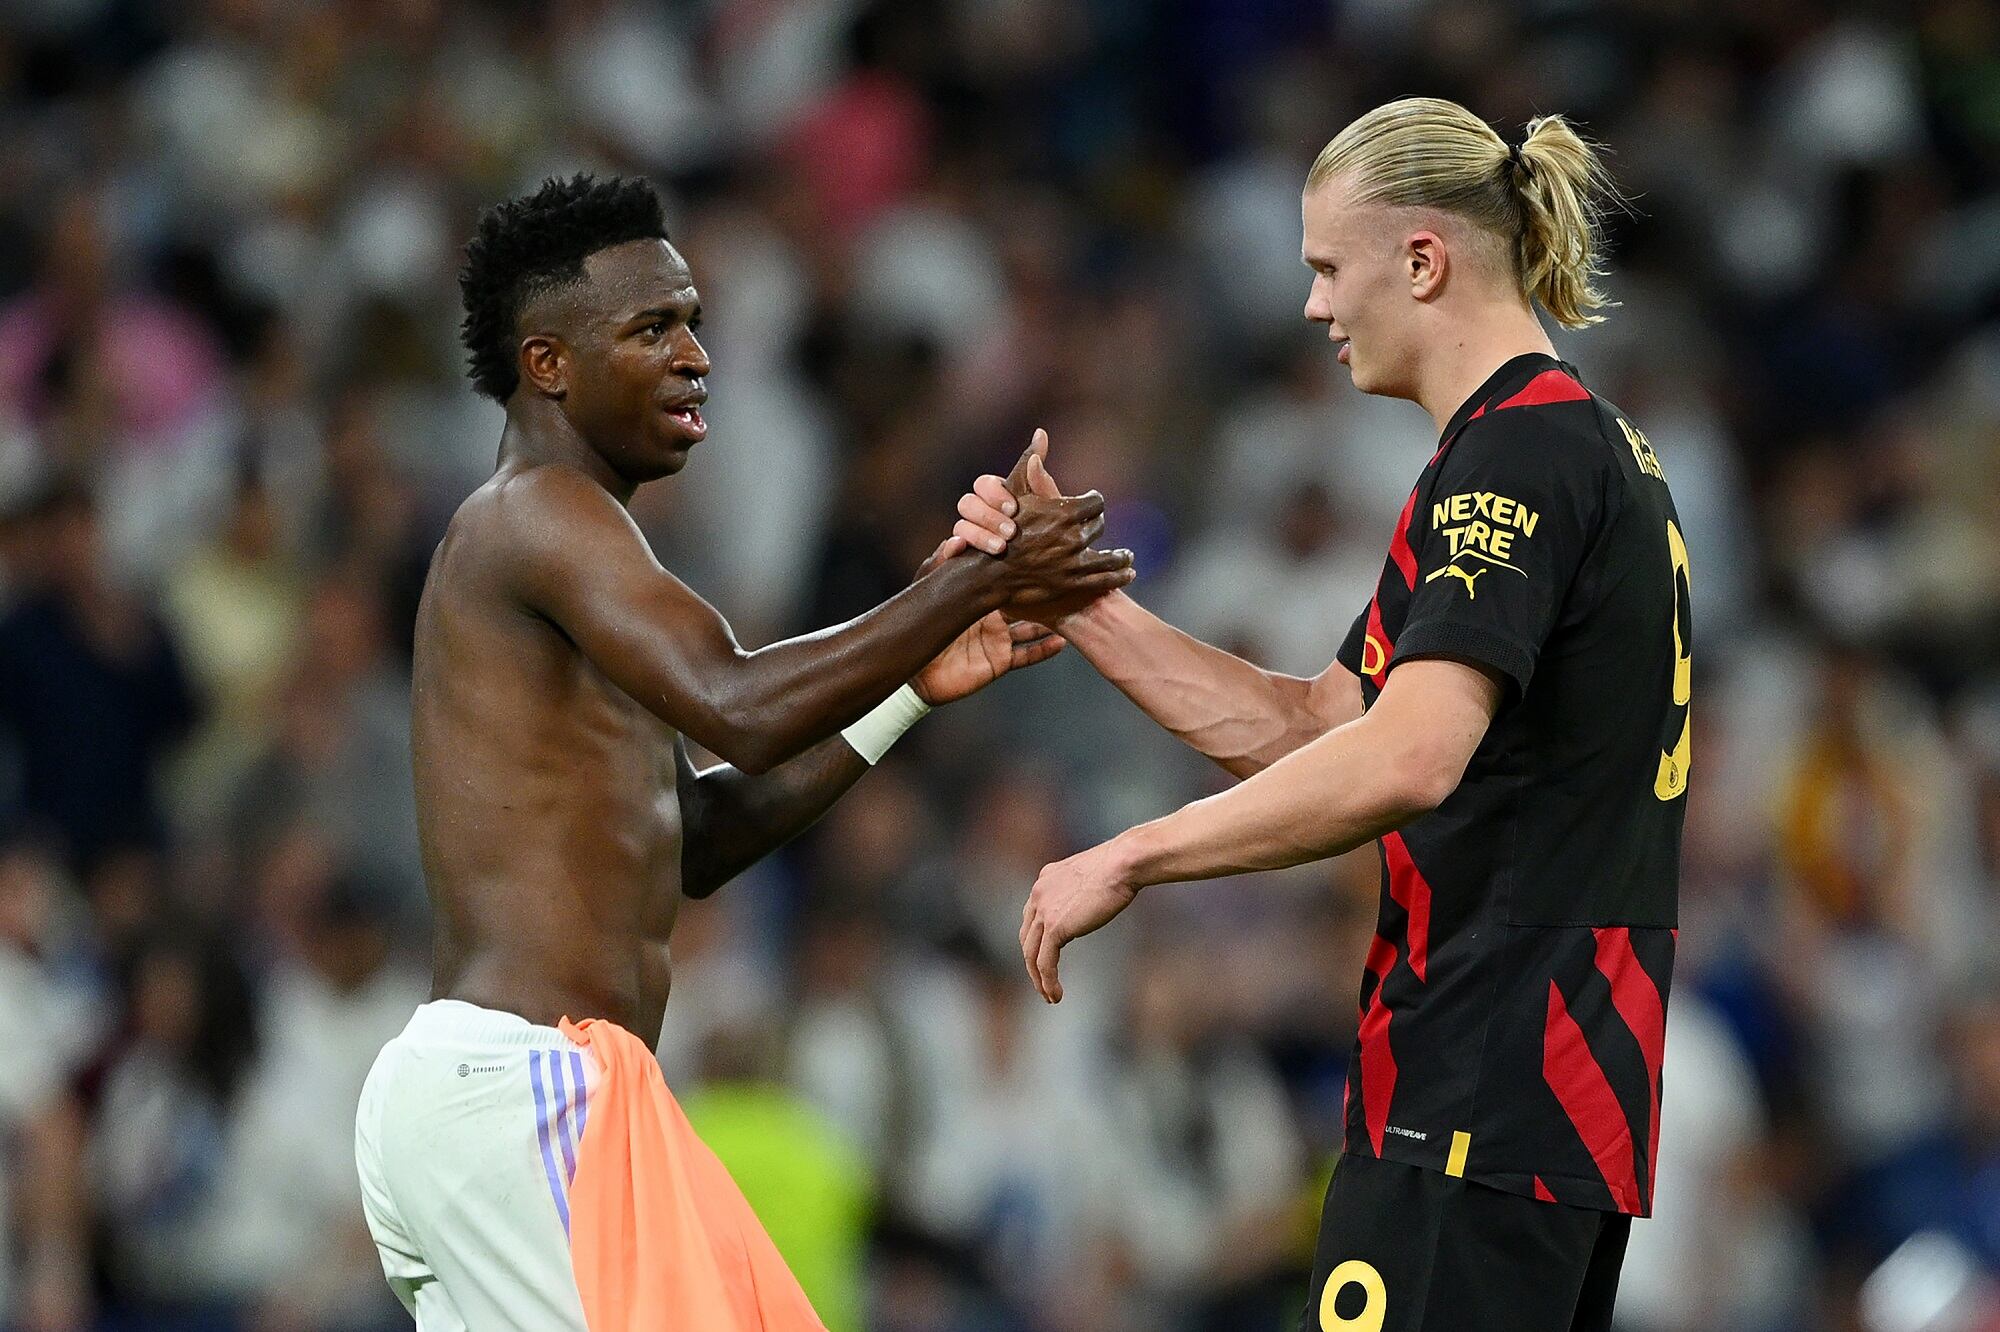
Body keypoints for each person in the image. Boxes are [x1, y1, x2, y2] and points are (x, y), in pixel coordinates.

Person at [952, 98, 1690, 1332]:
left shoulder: (1518, 459)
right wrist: (1072, 601)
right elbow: (1314, 728)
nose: (1310, 306)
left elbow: (1408, 757)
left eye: (1327, 267)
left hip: (1476, 1092)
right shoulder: (1574, 451)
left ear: (1421, 260)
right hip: (1539, 1114)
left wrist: (1131, 854)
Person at [353, 173, 1132, 1332]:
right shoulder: (535, 514)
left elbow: (698, 837)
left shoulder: (576, 548)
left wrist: (909, 688)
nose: (693, 357)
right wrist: (973, 579)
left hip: (514, 1099)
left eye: (693, 323)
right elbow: (740, 702)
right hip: (523, 1091)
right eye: (651, 329)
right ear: (547, 363)